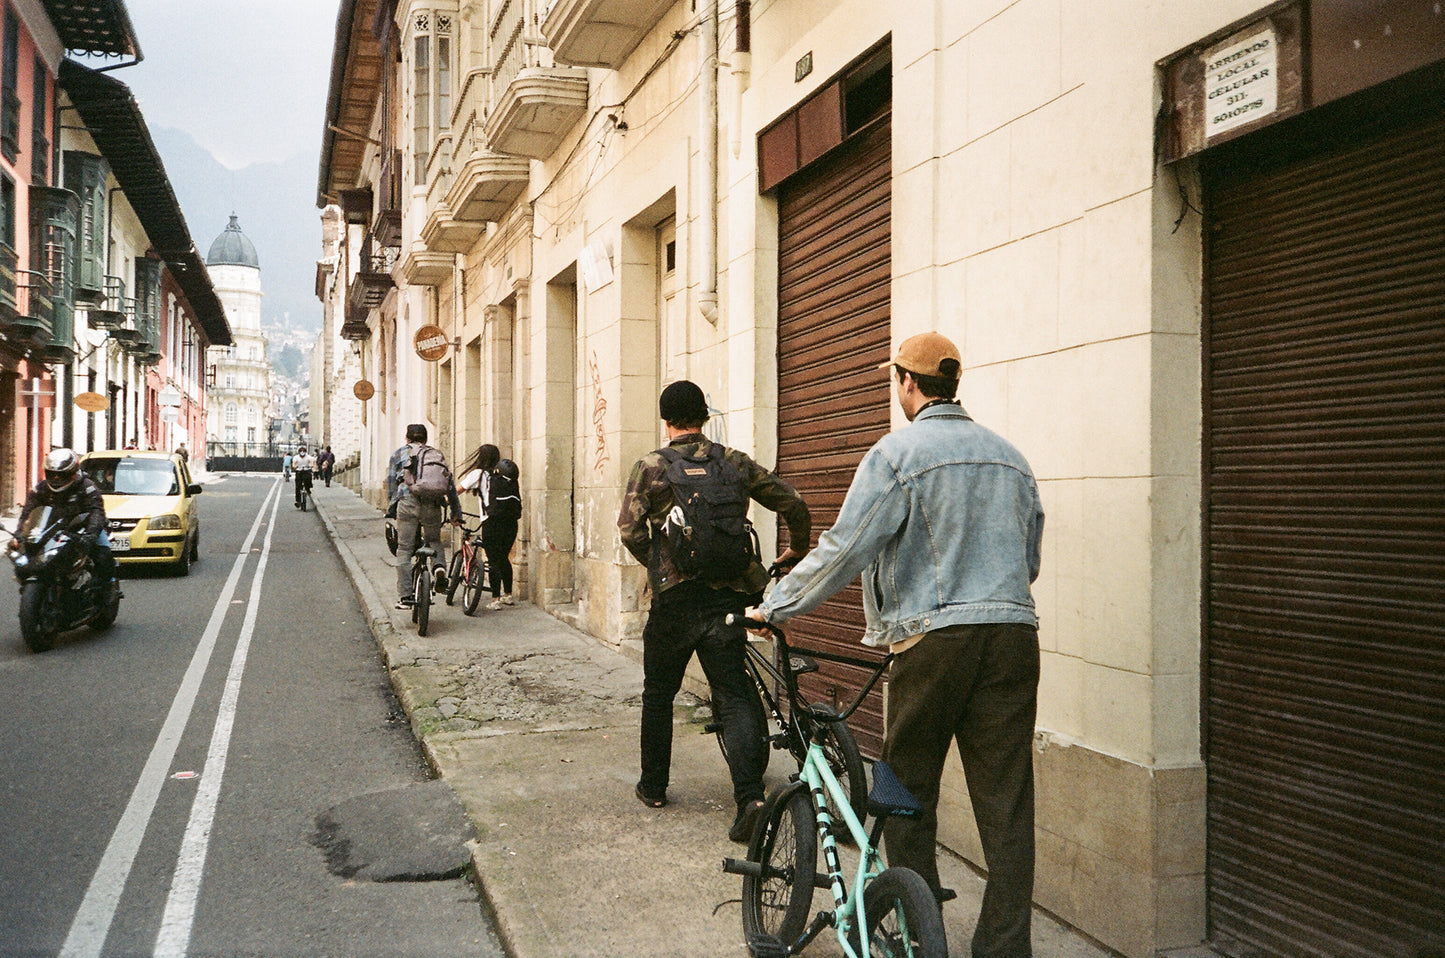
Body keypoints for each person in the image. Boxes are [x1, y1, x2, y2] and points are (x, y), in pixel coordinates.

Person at [744, 332, 1044, 956]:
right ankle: (1005, 947)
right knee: (1008, 802)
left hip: (934, 642)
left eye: (896, 379)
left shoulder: (898, 454)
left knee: (906, 789)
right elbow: (1029, 557)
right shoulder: (1012, 458)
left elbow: (845, 549)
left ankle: (916, 929)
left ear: (908, 382)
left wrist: (773, 606)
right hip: (1015, 636)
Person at [618, 380, 811, 843]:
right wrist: (797, 551)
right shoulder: (735, 462)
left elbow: (629, 530)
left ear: (667, 420)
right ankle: (750, 799)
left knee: (658, 693)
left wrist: (661, 564)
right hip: (727, 599)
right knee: (734, 693)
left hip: (674, 603)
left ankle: (654, 787)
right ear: (704, 416)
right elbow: (794, 503)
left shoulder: (651, 466)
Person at [9, 448, 117, 594]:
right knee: (28, 558)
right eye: (52, 474)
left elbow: (96, 512)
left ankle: (109, 590)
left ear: (73, 472)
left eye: (61, 475)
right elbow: (28, 513)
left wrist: (90, 536)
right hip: (52, 528)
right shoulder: (40, 489)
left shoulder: (87, 487)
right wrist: (19, 535)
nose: (56, 479)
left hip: (84, 529)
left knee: (104, 556)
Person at [387, 424, 463, 610]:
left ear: (407, 438)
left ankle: (405, 596)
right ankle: (439, 568)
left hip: (407, 503)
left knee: (404, 548)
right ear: (426, 439)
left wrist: (391, 508)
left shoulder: (398, 454)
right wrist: (455, 511)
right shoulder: (435, 454)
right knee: (433, 540)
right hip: (432, 503)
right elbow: (449, 485)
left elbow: (391, 485)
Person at [457, 444, 522, 610]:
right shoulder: (505, 474)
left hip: (491, 522)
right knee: (504, 558)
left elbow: (458, 489)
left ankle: (495, 599)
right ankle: (508, 595)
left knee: (493, 560)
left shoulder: (479, 474)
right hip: (510, 522)